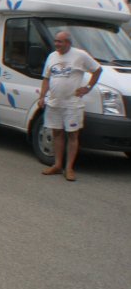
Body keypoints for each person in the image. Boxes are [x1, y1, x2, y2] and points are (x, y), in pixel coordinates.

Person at [38, 31, 102, 181]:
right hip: (55, 102)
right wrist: (42, 96)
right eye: (56, 41)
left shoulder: (80, 55)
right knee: (57, 133)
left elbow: (97, 70)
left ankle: (69, 168)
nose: (57, 44)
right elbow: (46, 78)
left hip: (72, 103)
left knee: (72, 135)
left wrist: (88, 87)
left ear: (68, 42)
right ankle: (58, 165)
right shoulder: (52, 56)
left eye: (60, 42)